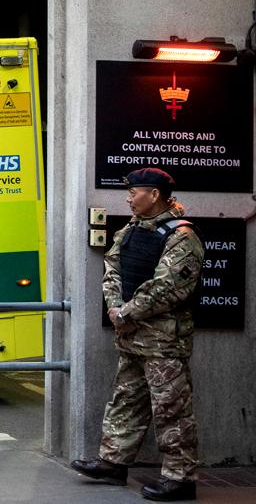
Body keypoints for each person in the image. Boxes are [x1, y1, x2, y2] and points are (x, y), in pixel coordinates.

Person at [71, 168, 203, 502]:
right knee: (126, 400)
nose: (128, 198)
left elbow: (169, 286)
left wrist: (126, 313)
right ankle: (113, 462)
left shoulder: (182, 235)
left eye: (134, 192)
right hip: (132, 336)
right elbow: (112, 267)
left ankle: (180, 478)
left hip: (162, 341)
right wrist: (115, 308)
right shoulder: (132, 228)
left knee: (171, 409)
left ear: (154, 195)